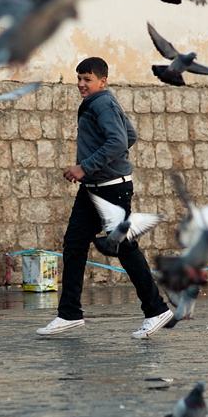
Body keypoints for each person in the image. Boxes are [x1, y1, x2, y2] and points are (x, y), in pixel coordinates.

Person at [36, 56, 172, 338]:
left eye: (87, 79)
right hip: (94, 188)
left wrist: (85, 166)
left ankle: (156, 310)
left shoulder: (102, 103)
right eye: (79, 79)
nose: (81, 85)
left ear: (103, 80)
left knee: (123, 247)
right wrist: (102, 162)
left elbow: (119, 141)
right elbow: (129, 135)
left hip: (112, 188)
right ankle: (69, 314)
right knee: (74, 244)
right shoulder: (100, 103)